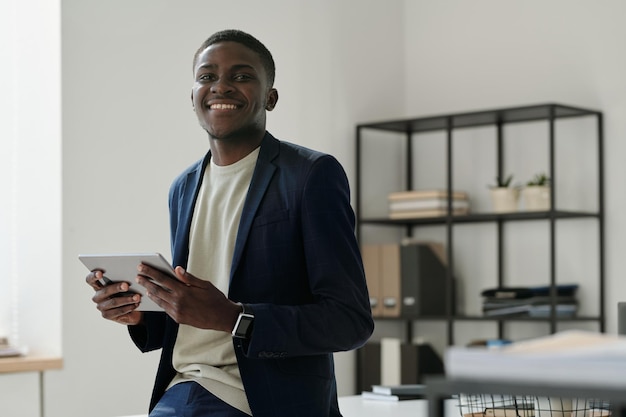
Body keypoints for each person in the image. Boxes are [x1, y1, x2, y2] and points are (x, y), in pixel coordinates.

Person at [86, 29, 374, 417]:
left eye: (241, 76)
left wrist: (236, 318)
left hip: (261, 400)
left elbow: (349, 321)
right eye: (207, 77)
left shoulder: (311, 175)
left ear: (270, 97)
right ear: (192, 97)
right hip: (182, 385)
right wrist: (139, 314)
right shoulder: (183, 186)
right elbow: (196, 312)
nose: (221, 87)